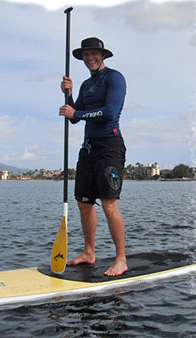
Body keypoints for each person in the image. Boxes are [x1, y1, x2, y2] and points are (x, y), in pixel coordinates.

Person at [59, 37, 127, 276]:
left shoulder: (115, 78)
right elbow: (75, 117)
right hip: (88, 148)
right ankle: (89, 253)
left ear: (103, 56)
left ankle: (121, 259)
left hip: (110, 147)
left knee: (109, 204)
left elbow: (109, 113)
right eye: (86, 54)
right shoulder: (86, 85)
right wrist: (68, 96)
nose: (90, 58)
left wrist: (76, 111)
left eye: (94, 54)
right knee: (84, 203)